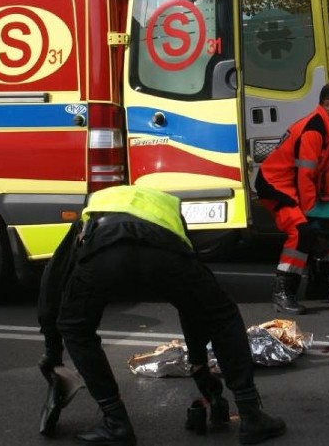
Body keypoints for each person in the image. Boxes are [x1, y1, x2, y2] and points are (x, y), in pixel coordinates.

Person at [37, 185, 286, 445]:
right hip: (164, 253)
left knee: (76, 328)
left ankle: (115, 421)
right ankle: (251, 415)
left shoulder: (92, 210)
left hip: (105, 255)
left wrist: (53, 355)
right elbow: (191, 306)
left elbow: (51, 286)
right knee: (222, 315)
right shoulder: (169, 207)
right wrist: (199, 366)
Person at [255, 82, 329, 314]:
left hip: (293, 184)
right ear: (327, 104)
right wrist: (310, 212)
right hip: (276, 185)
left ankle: (317, 285)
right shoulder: (314, 130)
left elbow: (316, 172)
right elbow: (305, 174)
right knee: (301, 231)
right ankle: (282, 292)